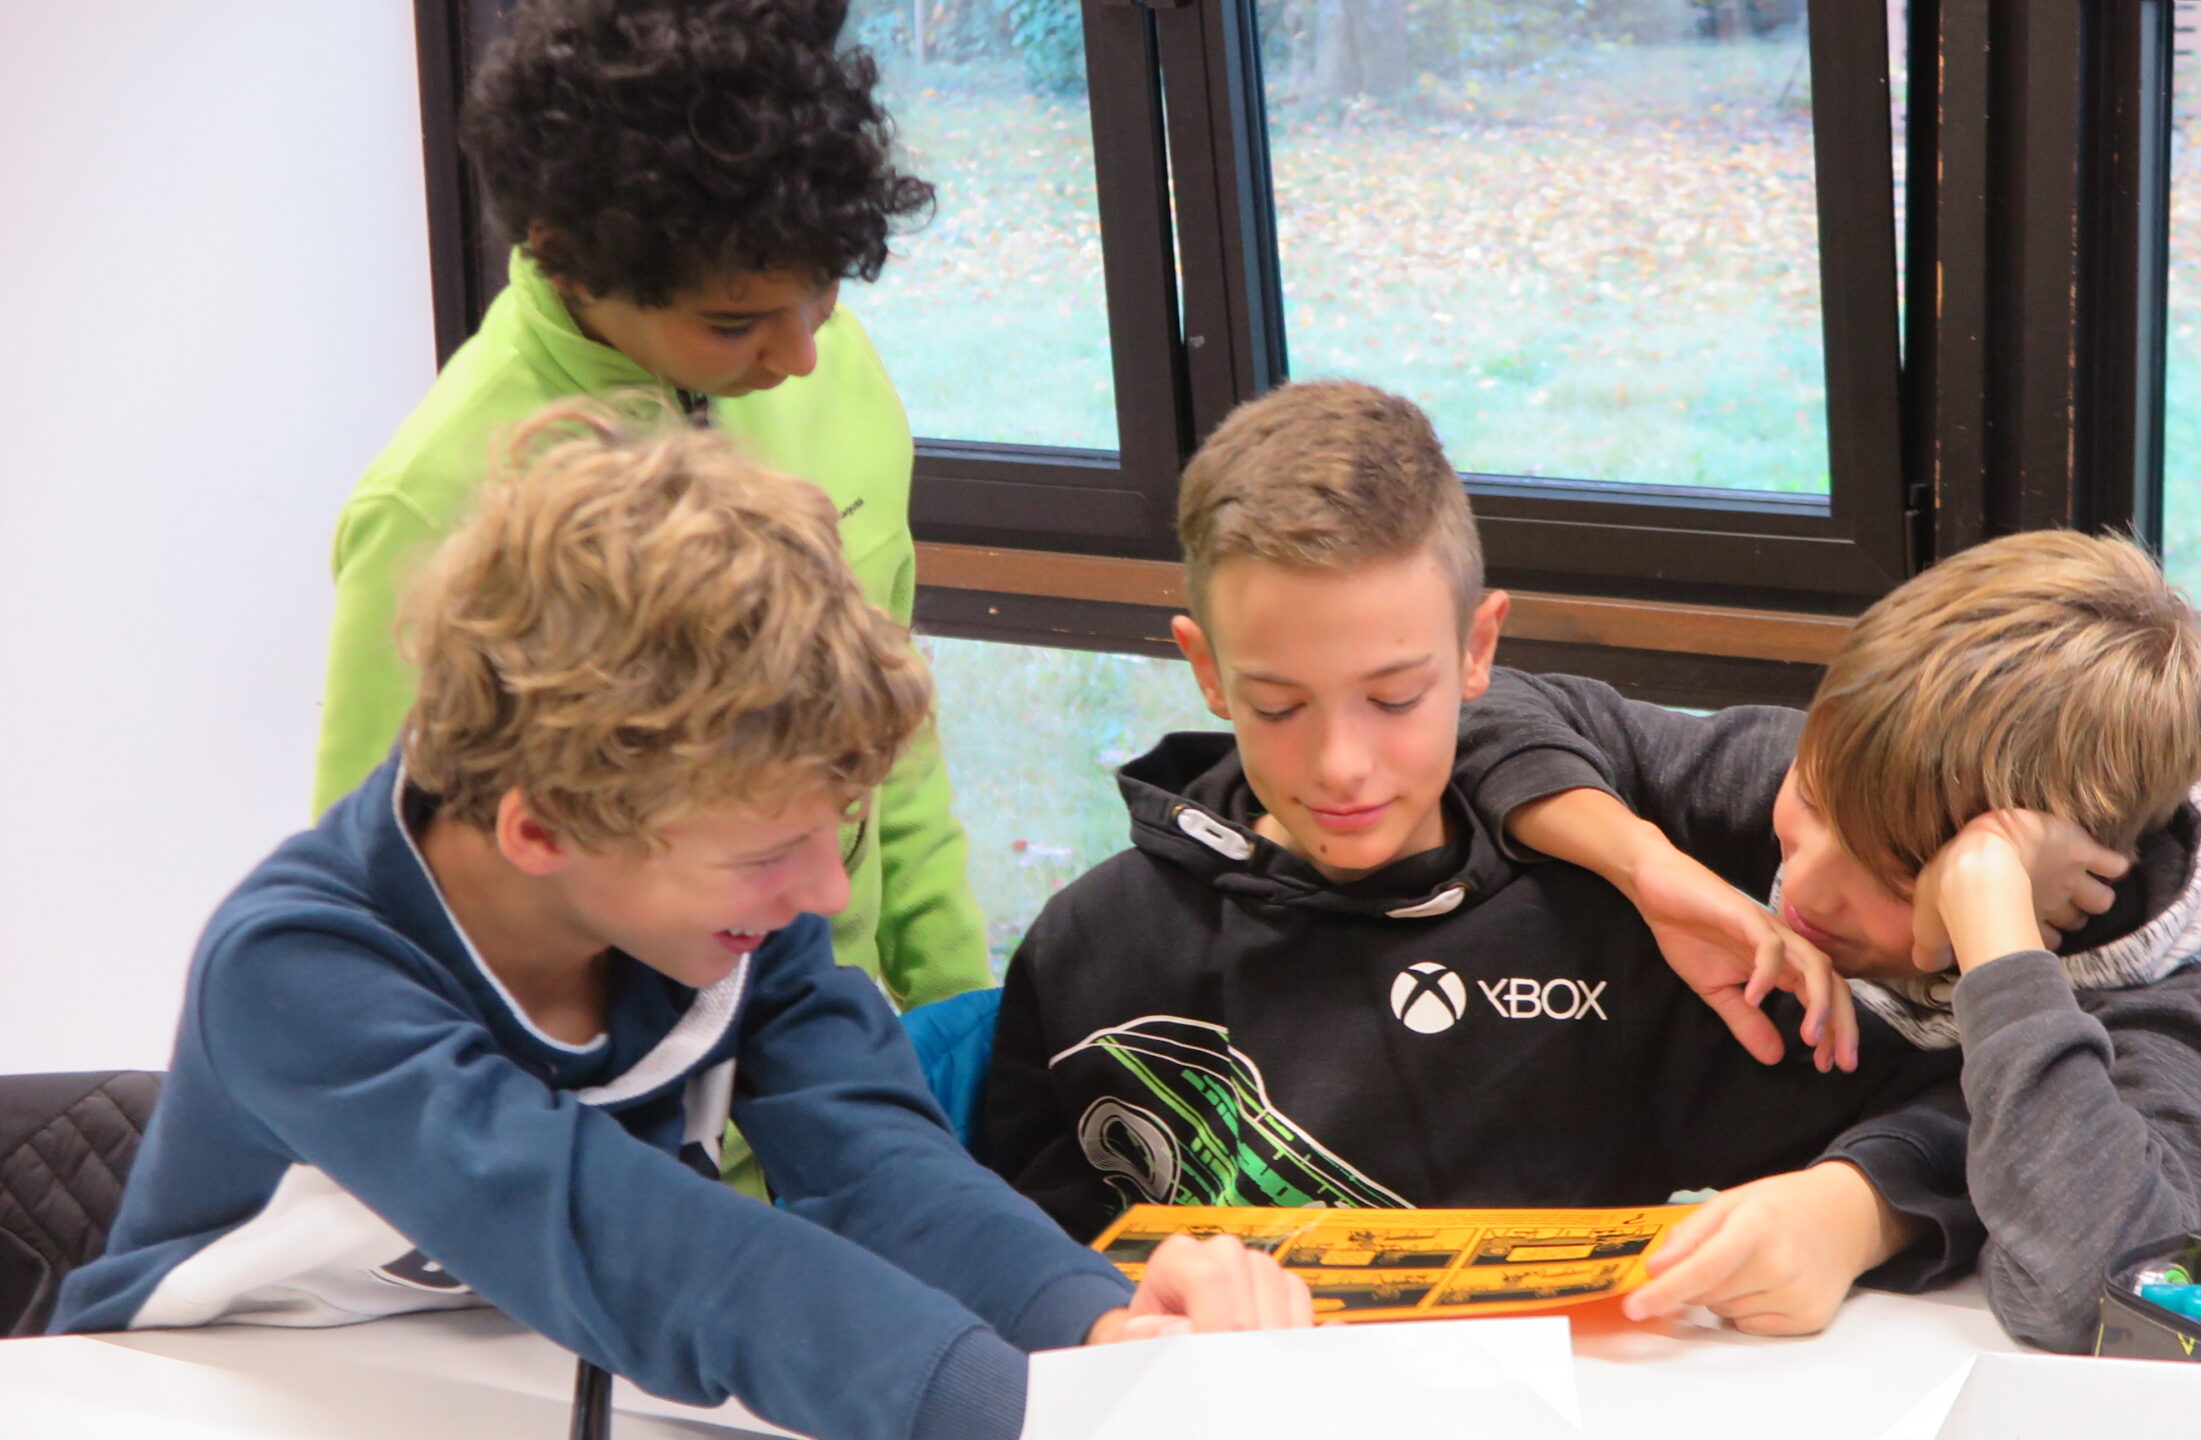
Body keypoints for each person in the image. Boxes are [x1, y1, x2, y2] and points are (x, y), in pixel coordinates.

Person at [53, 406, 1311, 1440]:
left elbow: (877, 1162)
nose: (823, 894)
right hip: (205, 1395)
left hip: (538, 1376)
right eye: (767, 853)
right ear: (544, 831)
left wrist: (1094, 1325)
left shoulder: (725, 905)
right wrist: (1012, 1410)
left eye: (833, 834)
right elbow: (647, 1252)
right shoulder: (298, 973)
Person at [972, 381, 1983, 1327]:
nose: (1341, 766)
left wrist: (1853, 1212)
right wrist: (1112, 1305)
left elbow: (1966, 1111)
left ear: (1477, 650)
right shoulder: (1092, 950)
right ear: (1205, 668)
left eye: (1394, 698)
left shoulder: (1609, 930)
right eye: (1277, 706)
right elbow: (997, 1255)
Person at [1445, 528, 2201, 1351]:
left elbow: (2087, 1295)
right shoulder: (1879, 785)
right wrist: (1645, 866)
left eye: (1899, 882)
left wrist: (1996, 940)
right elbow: (1490, 705)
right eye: (1810, 800)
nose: (1808, 886)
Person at [314, 0, 986, 1007]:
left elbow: (892, 743)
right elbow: (381, 909)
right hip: (592, 1078)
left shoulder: (828, 365)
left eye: (823, 295)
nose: (800, 355)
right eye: (733, 323)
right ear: (569, 259)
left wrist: (957, 1010)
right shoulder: (435, 500)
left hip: (830, 1040)